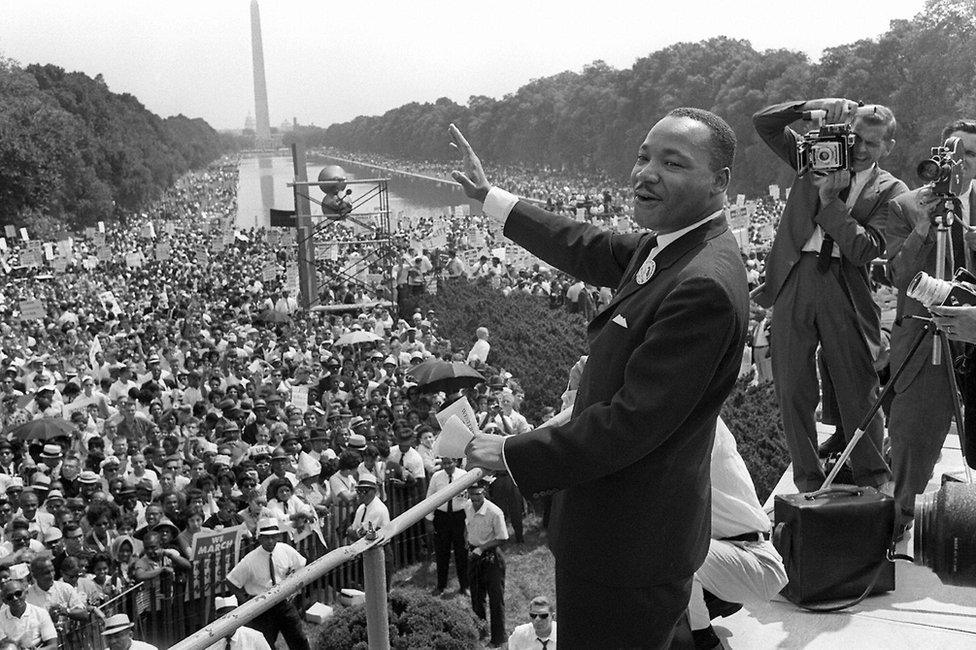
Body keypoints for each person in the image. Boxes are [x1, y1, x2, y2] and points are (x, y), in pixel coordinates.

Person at [453, 105, 749, 648]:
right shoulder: (673, 245)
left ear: (719, 182)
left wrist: (514, 451)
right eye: (643, 157)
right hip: (617, 532)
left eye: (672, 162)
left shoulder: (701, 283)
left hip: (631, 546)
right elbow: (584, 244)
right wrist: (490, 198)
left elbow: (632, 424)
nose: (647, 172)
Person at [751, 98, 907, 492]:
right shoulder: (814, 156)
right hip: (795, 276)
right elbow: (765, 123)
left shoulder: (892, 190)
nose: (860, 148)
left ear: (888, 147)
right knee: (792, 387)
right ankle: (807, 480)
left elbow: (865, 249)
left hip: (845, 283)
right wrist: (810, 106)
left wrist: (829, 202)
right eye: (855, 138)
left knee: (859, 386)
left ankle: (873, 479)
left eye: (872, 143)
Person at [885, 119, 976, 535]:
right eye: (958, 152)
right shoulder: (906, 205)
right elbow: (900, 276)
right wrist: (924, 226)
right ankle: (900, 520)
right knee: (915, 437)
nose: (964, 163)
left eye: (973, 155)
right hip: (926, 338)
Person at [687, 418, 788, 649]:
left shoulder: (698, 429)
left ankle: (705, 641)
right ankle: (708, 600)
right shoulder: (693, 415)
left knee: (674, 550)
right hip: (728, 551)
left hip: (755, 559)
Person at [226, 518, 309, 650]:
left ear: (278, 536)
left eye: (273, 537)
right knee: (265, 643)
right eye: (266, 538)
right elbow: (231, 581)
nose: (270, 541)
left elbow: (302, 566)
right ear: (259, 538)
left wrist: (295, 589)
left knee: (298, 638)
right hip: (263, 609)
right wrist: (245, 601)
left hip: (284, 603)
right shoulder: (250, 560)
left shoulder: (286, 550)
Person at [464, 481, 508, 648]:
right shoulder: (467, 506)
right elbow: (467, 524)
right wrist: (467, 541)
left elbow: (503, 538)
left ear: (485, 492)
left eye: (478, 494)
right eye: (472, 494)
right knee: (476, 596)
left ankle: (498, 638)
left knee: (496, 599)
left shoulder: (495, 512)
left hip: (492, 557)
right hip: (474, 555)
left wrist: (482, 548)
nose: (475, 498)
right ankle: (480, 632)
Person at [425, 457, 469, 596]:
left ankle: (464, 586)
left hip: (459, 517)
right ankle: (441, 585)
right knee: (441, 553)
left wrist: (469, 521)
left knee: (462, 553)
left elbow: (468, 500)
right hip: (442, 517)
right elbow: (430, 498)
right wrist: (430, 520)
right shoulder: (437, 477)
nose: (447, 466)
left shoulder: (464, 475)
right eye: (444, 463)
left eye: (450, 463)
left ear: (455, 462)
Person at [0, 578, 57, 650]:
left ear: (26, 593)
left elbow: (53, 646)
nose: (15, 598)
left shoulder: (40, 613)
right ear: (5, 601)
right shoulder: (1, 618)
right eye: (9, 597)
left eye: (18, 593)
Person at [203, 595, 272, 650]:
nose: (228, 623)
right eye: (223, 618)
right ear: (217, 619)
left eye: (232, 618)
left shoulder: (254, 637)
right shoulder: (211, 642)